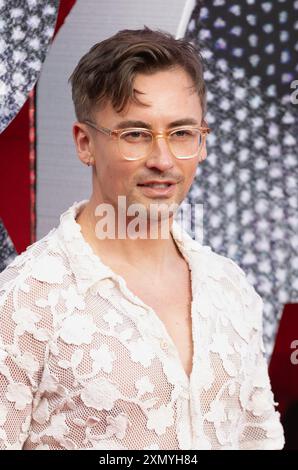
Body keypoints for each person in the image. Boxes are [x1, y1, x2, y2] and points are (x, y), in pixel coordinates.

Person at [0, 26, 284, 450]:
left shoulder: (230, 288)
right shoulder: (26, 300)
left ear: (203, 141)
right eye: (134, 134)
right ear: (85, 143)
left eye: (182, 133)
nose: (163, 160)